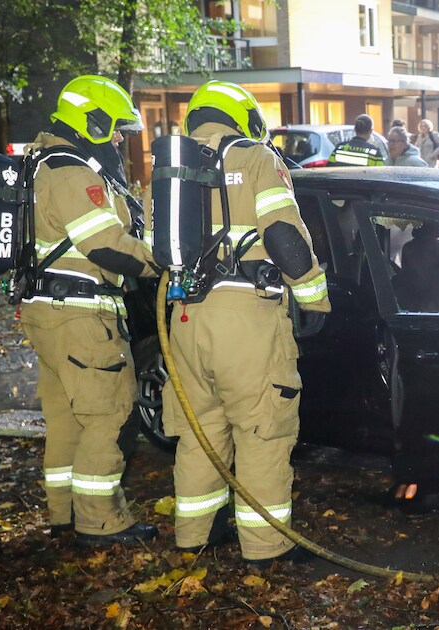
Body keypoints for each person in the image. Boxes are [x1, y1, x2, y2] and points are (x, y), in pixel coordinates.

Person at [165, 80, 331, 566]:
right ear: (246, 118)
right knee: (262, 431)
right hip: (246, 319)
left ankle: (193, 535)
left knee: (200, 431)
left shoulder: (171, 166)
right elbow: (283, 235)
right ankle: (266, 546)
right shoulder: (256, 157)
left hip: (186, 316)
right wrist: (314, 299)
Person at [20, 75, 158, 546]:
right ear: (92, 121)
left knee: (64, 420)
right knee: (106, 417)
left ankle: (63, 514)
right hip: (82, 317)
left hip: (46, 311)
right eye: (115, 128)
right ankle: (101, 522)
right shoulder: (74, 171)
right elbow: (106, 247)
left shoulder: (40, 163)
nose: (119, 138)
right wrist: (160, 260)